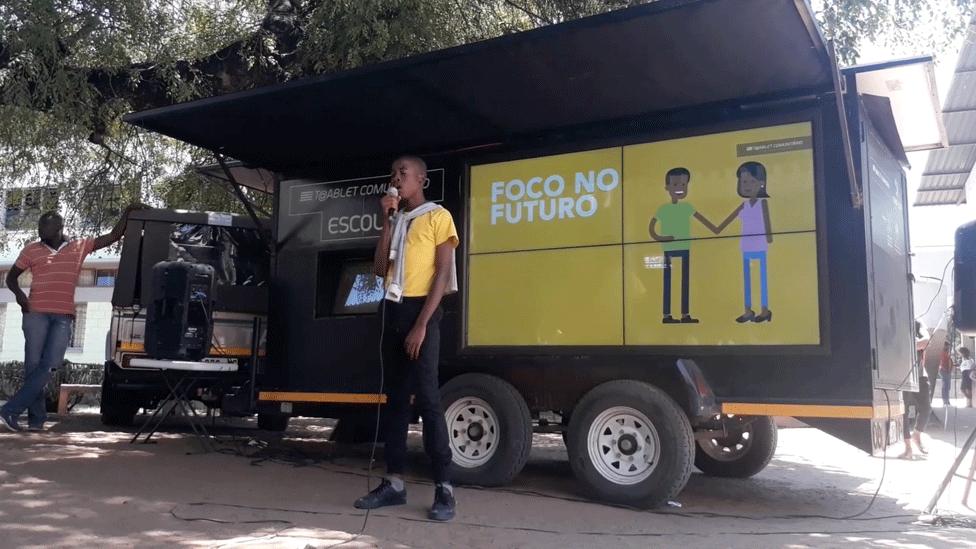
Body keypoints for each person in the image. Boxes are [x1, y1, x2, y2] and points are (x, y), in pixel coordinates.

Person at [353, 155, 458, 522]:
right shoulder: (396, 218)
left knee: (428, 400)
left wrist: (421, 324)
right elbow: (380, 270)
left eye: (403, 173)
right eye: (393, 172)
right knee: (395, 401)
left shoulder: (438, 217)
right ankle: (394, 483)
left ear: (421, 179)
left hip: (422, 313)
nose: (395, 177)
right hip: (393, 309)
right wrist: (386, 221)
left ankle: (444, 488)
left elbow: (442, 275)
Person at [1, 205, 148, 432]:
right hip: (35, 314)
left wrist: (127, 212)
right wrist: (21, 298)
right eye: (39, 226)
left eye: (45, 226)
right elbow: (11, 279)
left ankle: (10, 410)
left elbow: (112, 236)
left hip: (63, 316)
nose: (40, 230)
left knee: (49, 365)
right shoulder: (31, 249)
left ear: (59, 228)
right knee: (33, 367)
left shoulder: (79, 246)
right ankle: (36, 421)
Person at [648, 167, 719, 324]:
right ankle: (667, 315)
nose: (680, 188)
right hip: (668, 249)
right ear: (667, 187)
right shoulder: (663, 209)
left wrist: (717, 229)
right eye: (675, 185)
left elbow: (704, 221)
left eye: (683, 185)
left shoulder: (687, 207)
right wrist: (661, 237)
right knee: (668, 282)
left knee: (684, 282)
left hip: (685, 248)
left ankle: (685, 314)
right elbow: (651, 228)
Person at [715, 162, 773, 323]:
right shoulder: (744, 205)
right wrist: (716, 229)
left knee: (761, 279)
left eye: (752, 181)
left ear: (762, 183)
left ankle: (764, 310)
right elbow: (727, 221)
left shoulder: (763, 203)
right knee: (747, 281)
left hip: (760, 245)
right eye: (744, 182)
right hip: (746, 247)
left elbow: (767, 222)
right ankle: (748, 311)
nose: (747, 186)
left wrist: (769, 238)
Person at [899, 321, 931, 459]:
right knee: (903, 412)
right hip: (902, 375)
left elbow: (925, 341)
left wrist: (909, 344)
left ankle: (917, 434)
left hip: (919, 375)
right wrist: (915, 344)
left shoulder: (917, 323)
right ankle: (908, 448)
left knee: (926, 408)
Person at [938, 341, 954, 407]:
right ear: (944, 346)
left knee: (947, 386)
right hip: (944, 370)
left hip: (947, 370)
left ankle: (947, 401)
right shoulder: (942, 352)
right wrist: (945, 369)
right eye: (947, 345)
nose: (948, 347)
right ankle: (945, 401)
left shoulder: (947, 352)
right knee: (945, 386)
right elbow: (941, 362)